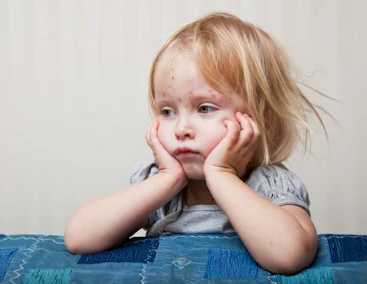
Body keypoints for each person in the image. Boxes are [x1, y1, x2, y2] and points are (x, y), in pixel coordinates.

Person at [65, 12, 328, 275]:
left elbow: (290, 255)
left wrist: (222, 175)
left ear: (261, 119)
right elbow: (79, 239)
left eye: (204, 108)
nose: (181, 129)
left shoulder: (269, 185)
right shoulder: (162, 189)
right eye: (167, 112)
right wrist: (167, 179)